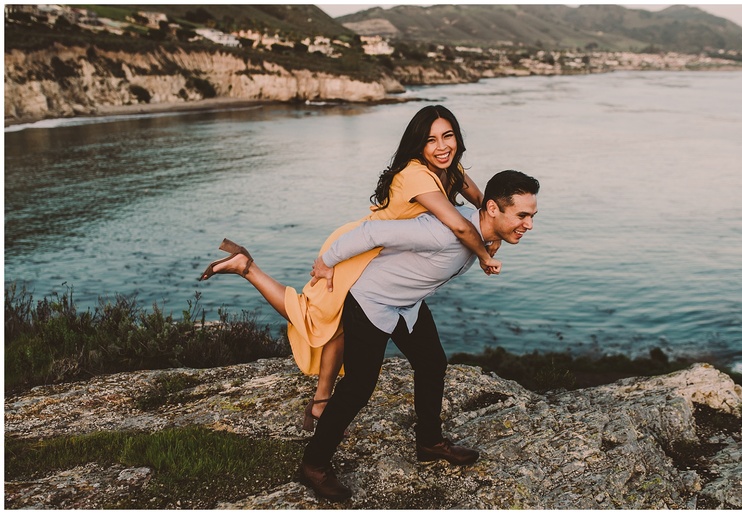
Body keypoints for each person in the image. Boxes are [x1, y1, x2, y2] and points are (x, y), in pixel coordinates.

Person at [202, 170, 540, 501]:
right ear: (492, 208)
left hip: (407, 304)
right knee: (359, 386)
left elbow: (464, 188)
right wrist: (326, 262)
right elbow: (372, 232)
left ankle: (429, 442)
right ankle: (314, 464)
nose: (529, 225)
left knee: (432, 363)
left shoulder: (477, 231)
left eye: (532, 216)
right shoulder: (441, 232)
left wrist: (492, 241)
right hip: (371, 300)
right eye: (522, 216)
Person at [199, 105, 501, 430]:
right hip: (359, 251)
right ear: (418, 144)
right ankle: (247, 267)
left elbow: (482, 202)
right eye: (431, 140)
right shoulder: (416, 174)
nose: (442, 146)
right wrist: (484, 254)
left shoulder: (449, 168)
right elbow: (460, 225)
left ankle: (320, 402)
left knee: (340, 323)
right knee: (314, 316)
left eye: (448, 136)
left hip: (381, 252)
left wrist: (494, 229)